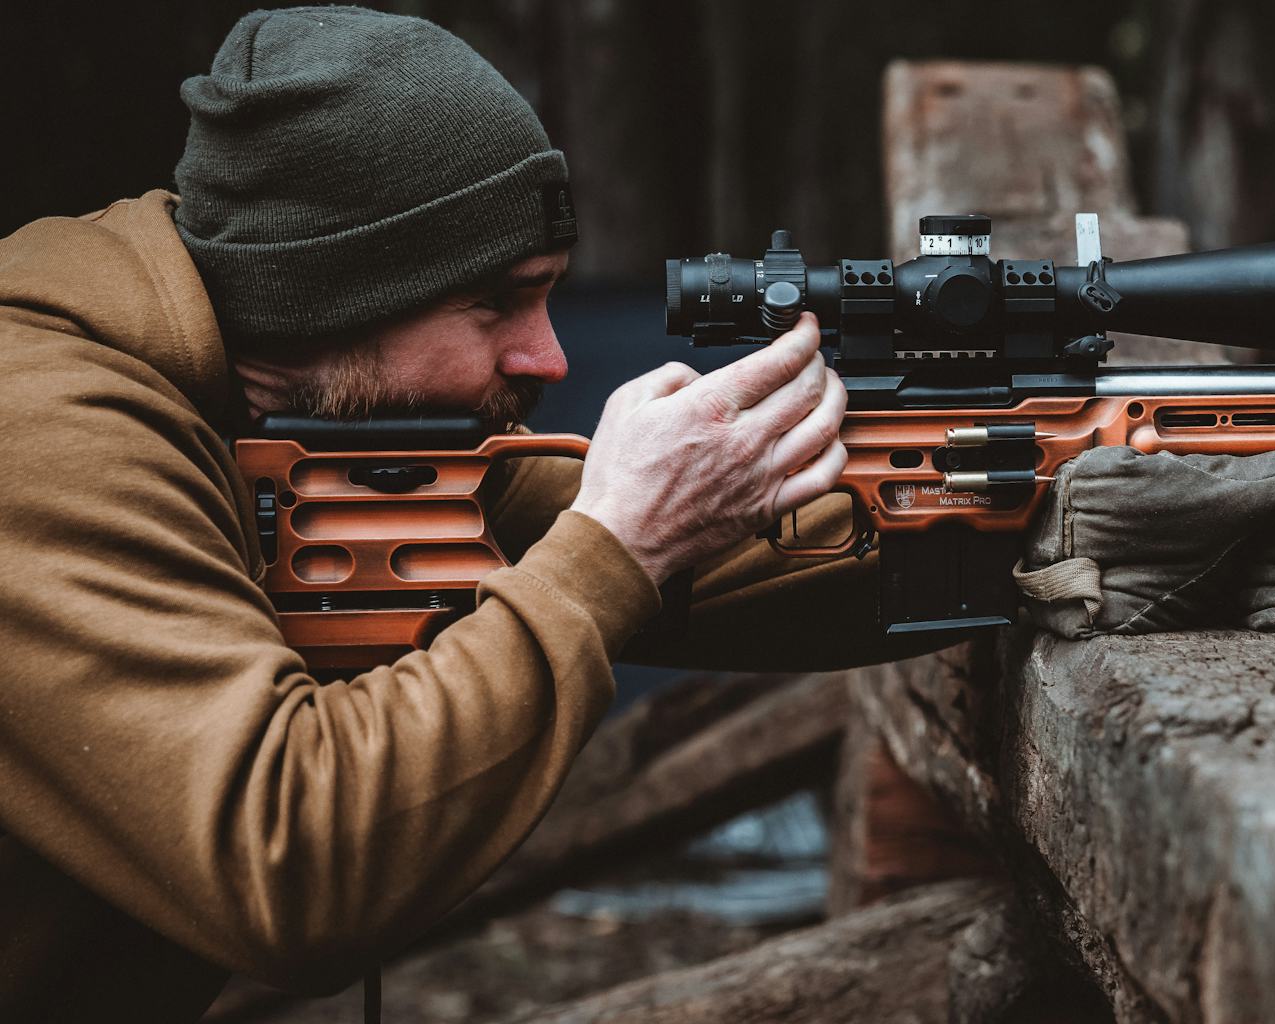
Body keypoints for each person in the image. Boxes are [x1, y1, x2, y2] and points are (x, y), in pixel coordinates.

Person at [0, 8, 928, 1020]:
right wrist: (613, 546)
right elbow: (292, 864)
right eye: (496, 303)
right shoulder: (40, 428)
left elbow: (712, 555)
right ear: (333, 295)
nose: (549, 359)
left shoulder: (303, 417)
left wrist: (1016, 514)